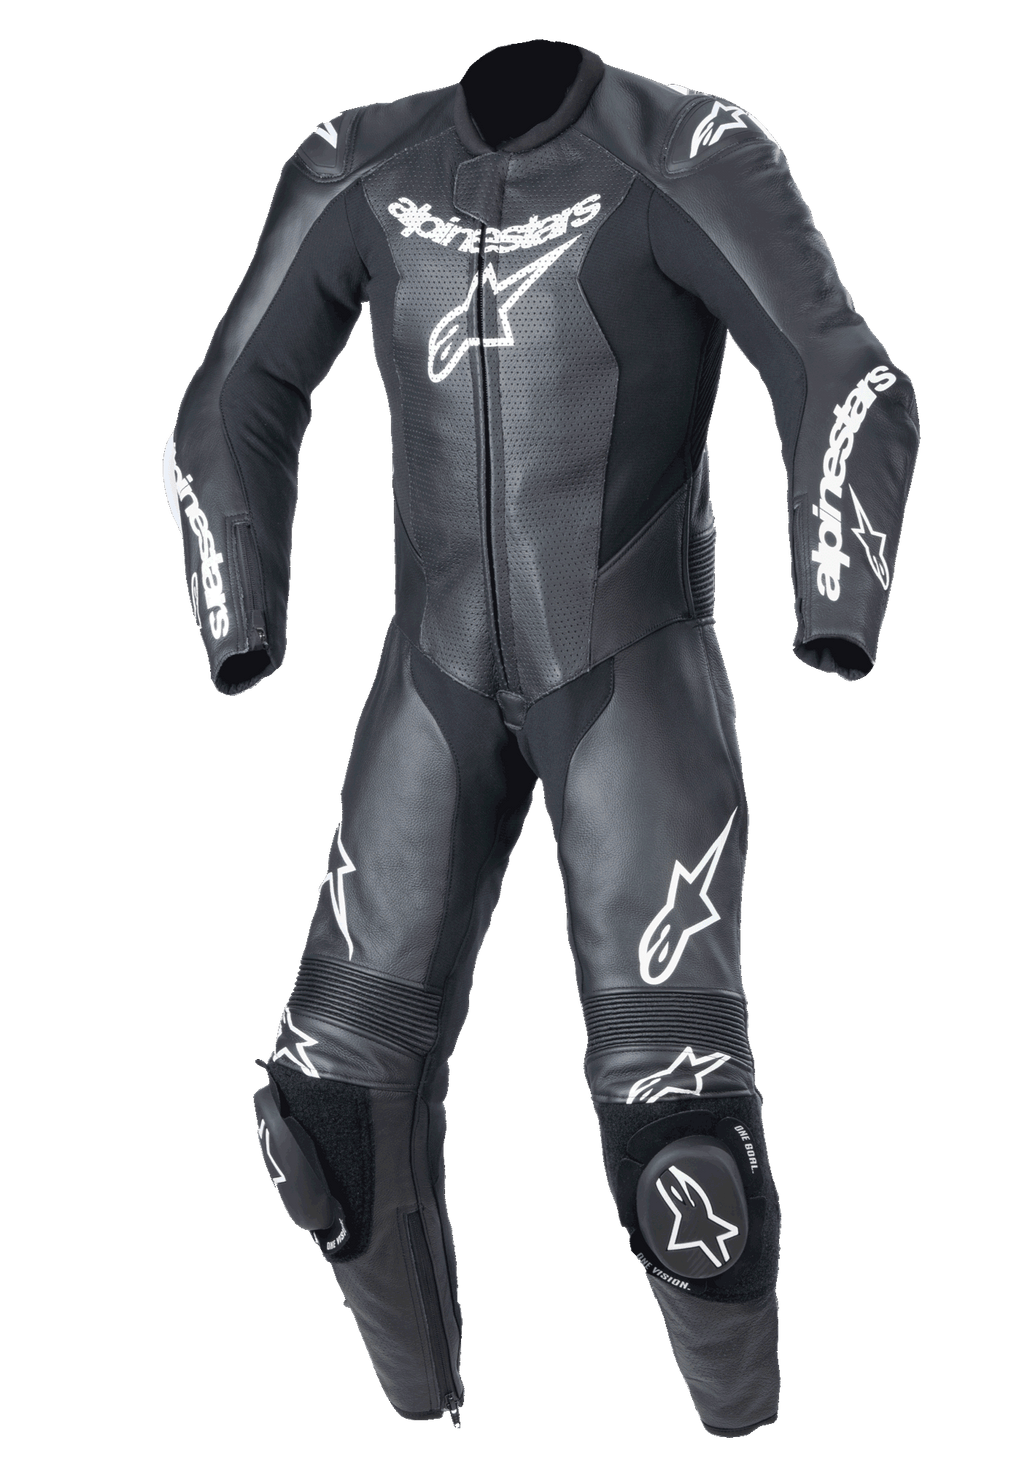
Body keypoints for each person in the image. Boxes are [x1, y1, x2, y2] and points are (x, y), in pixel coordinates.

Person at [162, 39, 919, 1436]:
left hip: (630, 674)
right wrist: (239, 611)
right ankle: (422, 1416)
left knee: (681, 1141)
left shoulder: (687, 148)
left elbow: (843, 374)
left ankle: (746, 1427)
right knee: (326, 1115)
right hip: (432, 679)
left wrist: (835, 602)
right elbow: (227, 400)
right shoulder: (357, 162)